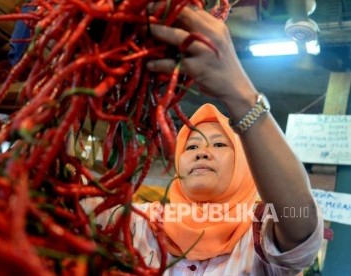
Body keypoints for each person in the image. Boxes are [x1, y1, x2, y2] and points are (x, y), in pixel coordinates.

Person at [85, 5, 323, 275]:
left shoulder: (260, 240)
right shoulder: (141, 224)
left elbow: (302, 225)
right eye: (191, 146)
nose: (201, 153)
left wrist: (240, 94)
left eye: (219, 144)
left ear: (247, 167)